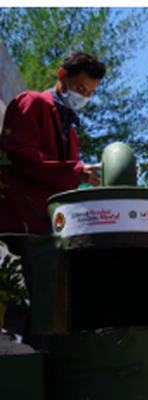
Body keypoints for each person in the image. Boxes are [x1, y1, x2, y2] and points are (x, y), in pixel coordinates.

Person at [0, 50, 105, 333]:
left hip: (50, 223)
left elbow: (63, 175)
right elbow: (22, 156)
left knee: (54, 296)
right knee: (42, 294)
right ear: (62, 77)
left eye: (91, 92)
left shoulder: (69, 128)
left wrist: (82, 183)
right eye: (81, 88)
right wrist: (75, 172)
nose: (85, 96)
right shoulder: (31, 102)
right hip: (25, 217)